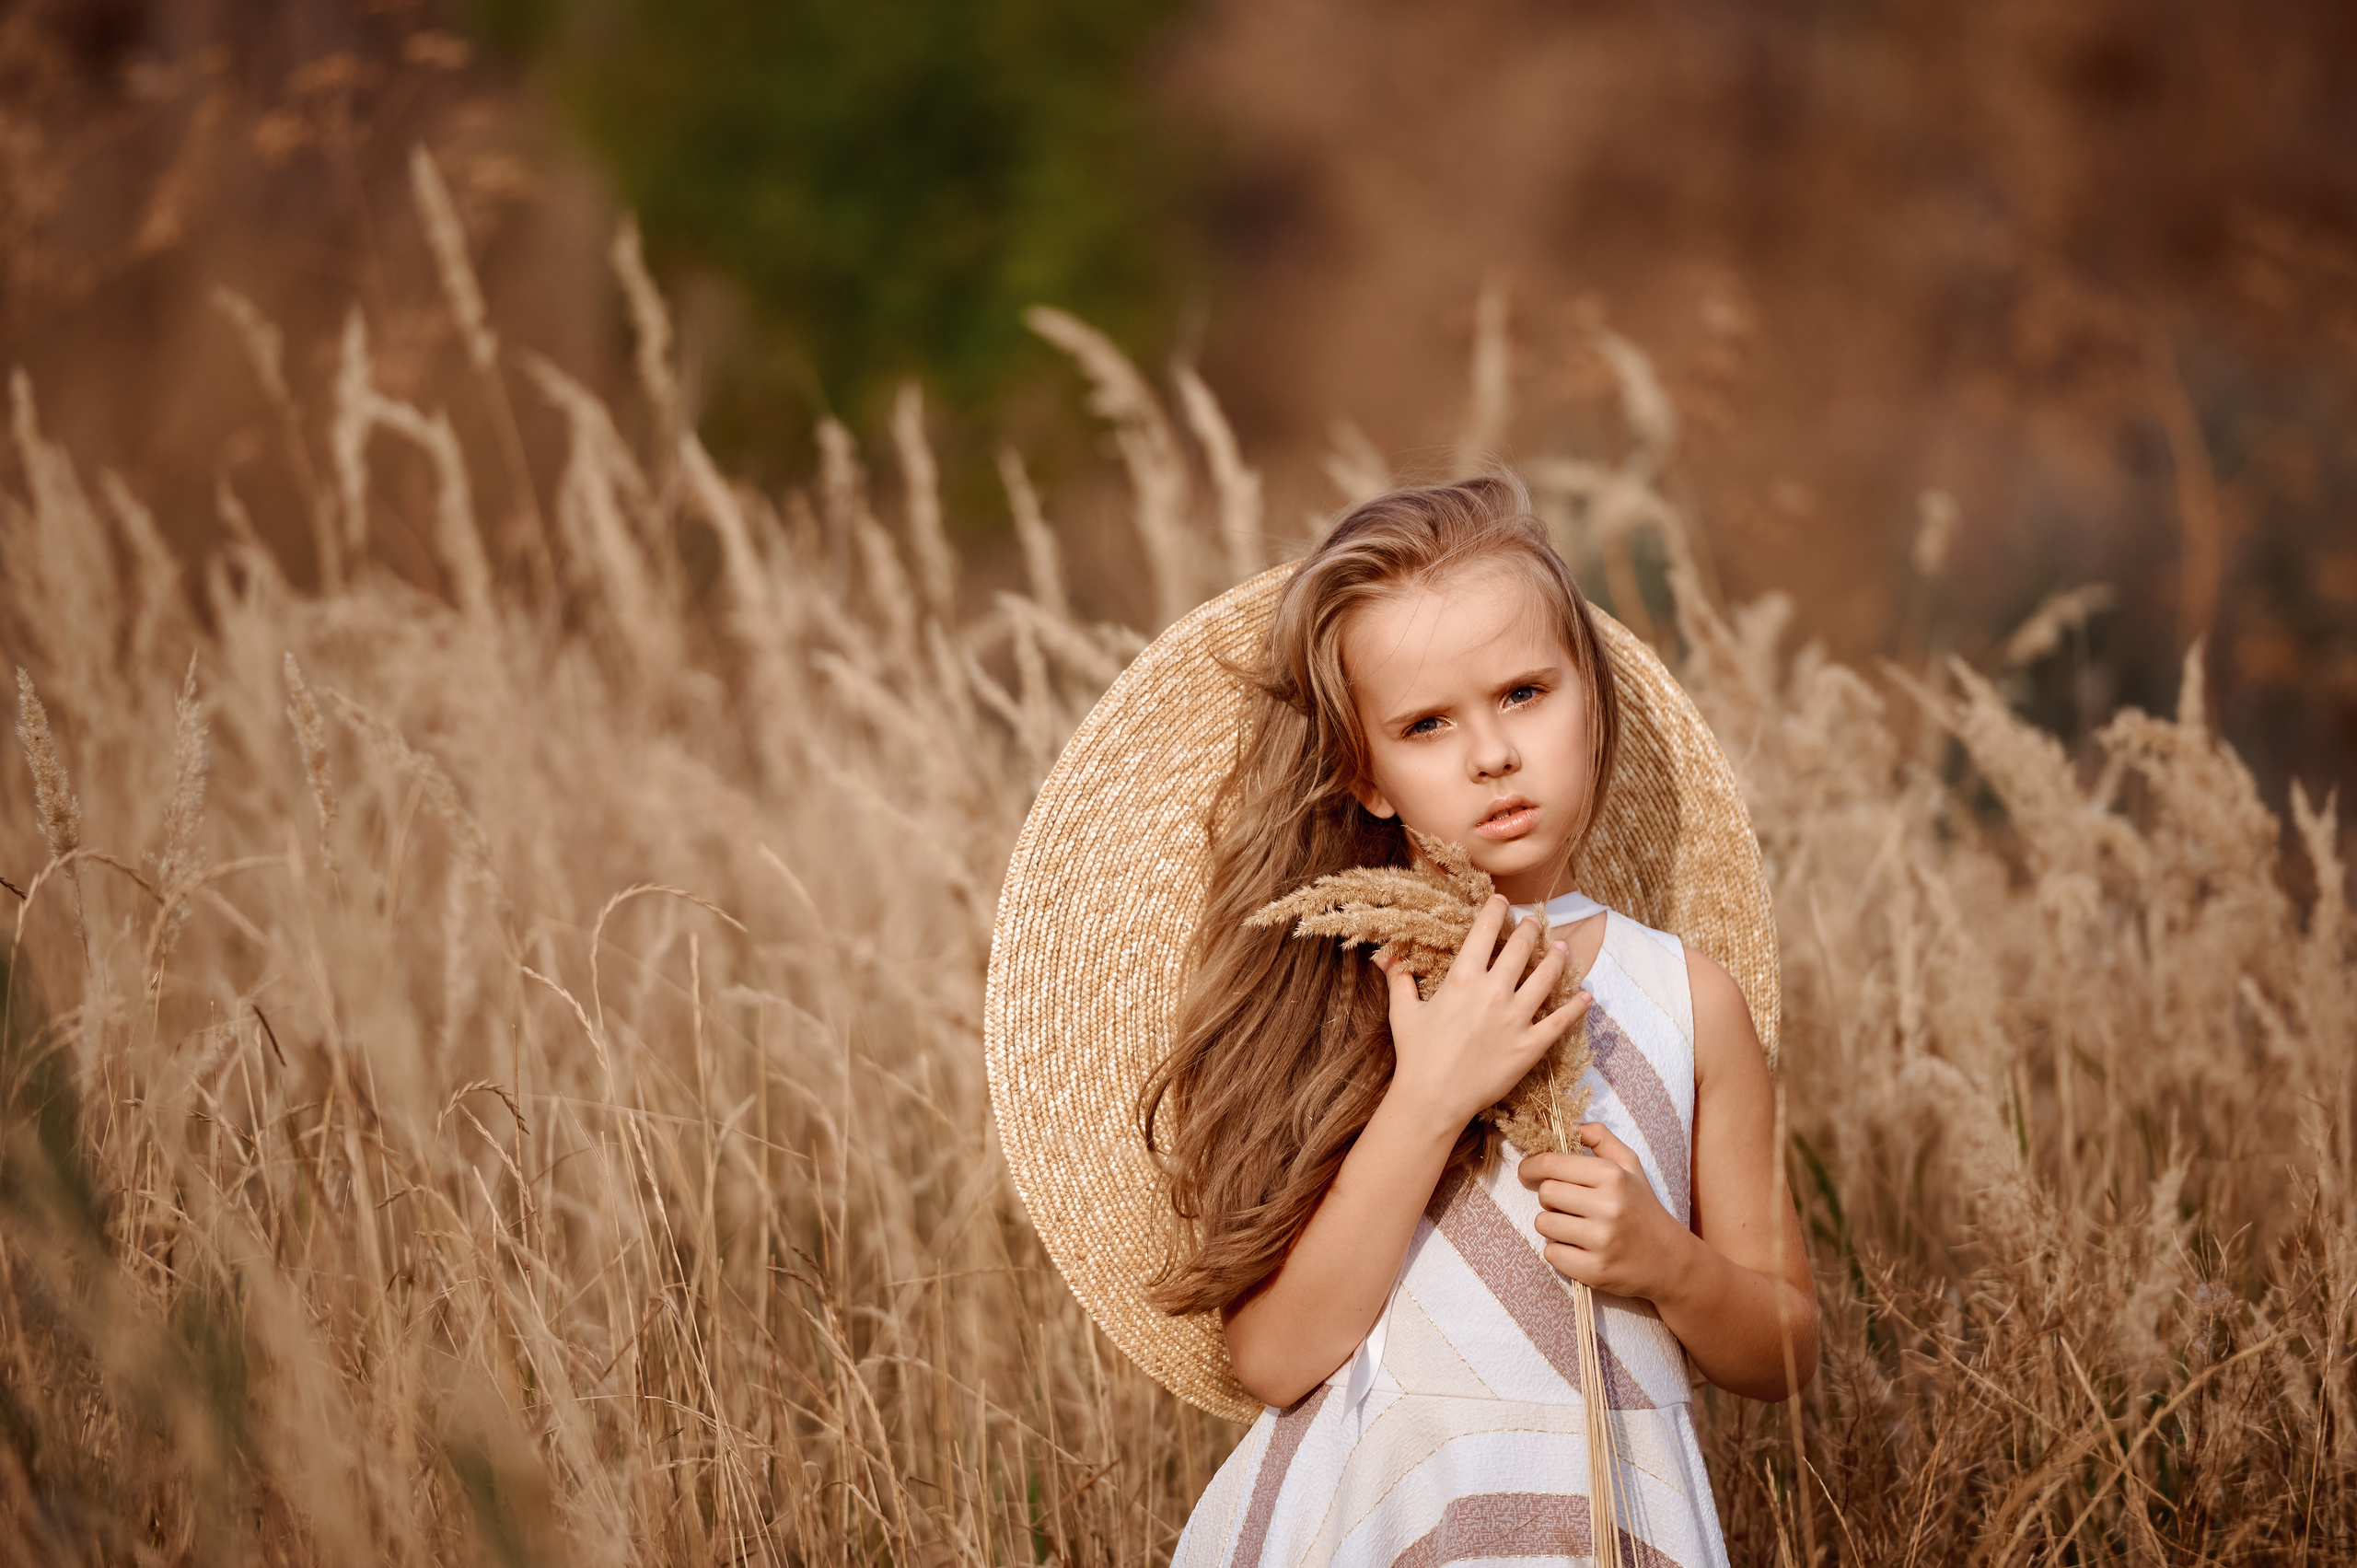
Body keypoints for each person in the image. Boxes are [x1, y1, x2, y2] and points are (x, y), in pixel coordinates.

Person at [1135, 476, 1818, 1568]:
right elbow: (1273, 1358)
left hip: (1608, 1509)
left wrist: (1668, 1264)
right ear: (1366, 774)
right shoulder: (1333, 984)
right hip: (1388, 1511)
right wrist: (1430, 1092)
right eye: (1426, 724)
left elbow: (1785, 1346)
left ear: (1588, 697)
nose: (1490, 753)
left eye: (1522, 693)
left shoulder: (1686, 998)